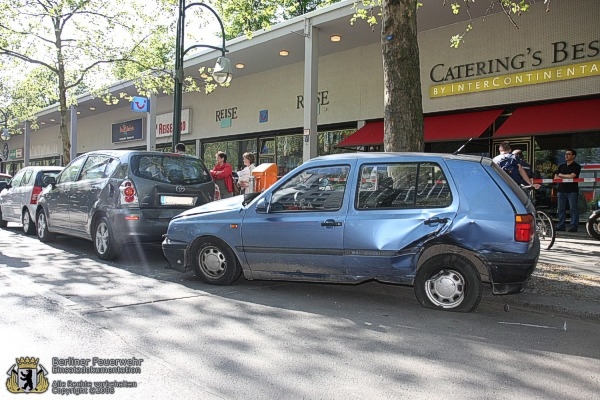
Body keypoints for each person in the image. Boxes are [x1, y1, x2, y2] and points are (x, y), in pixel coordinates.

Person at [554, 149, 581, 232]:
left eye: (569, 154)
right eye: (565, 154)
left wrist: (561, 175)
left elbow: (572, 176)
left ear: (573, 156)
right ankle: (561, 225)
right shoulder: (561, 166)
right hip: (561, 190)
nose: (566, 155)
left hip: (572, 191)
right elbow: (555, 177)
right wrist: (566, 176)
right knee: (561, 209)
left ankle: (574, 226)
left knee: (573, 209)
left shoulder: (577, 166)